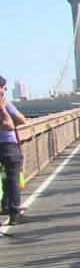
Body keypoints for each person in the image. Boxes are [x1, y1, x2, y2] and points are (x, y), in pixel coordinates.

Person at [0, 76, 28, 225]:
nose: (4, 90)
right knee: (12, 178)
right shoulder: (5, 103)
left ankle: (5, 206)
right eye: (3, 87)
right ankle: (14, 214)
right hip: (8, 144)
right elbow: (20, 121)